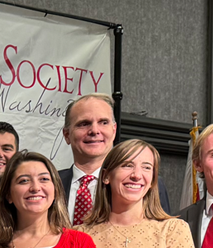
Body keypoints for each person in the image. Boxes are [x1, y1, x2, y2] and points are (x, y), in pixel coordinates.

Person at [60, 94, 171, 226]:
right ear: (67, 135)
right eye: (84, 124)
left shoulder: (144, 183)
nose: (94, 130)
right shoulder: (49, 185)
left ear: (114, 130)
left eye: (103, 122)